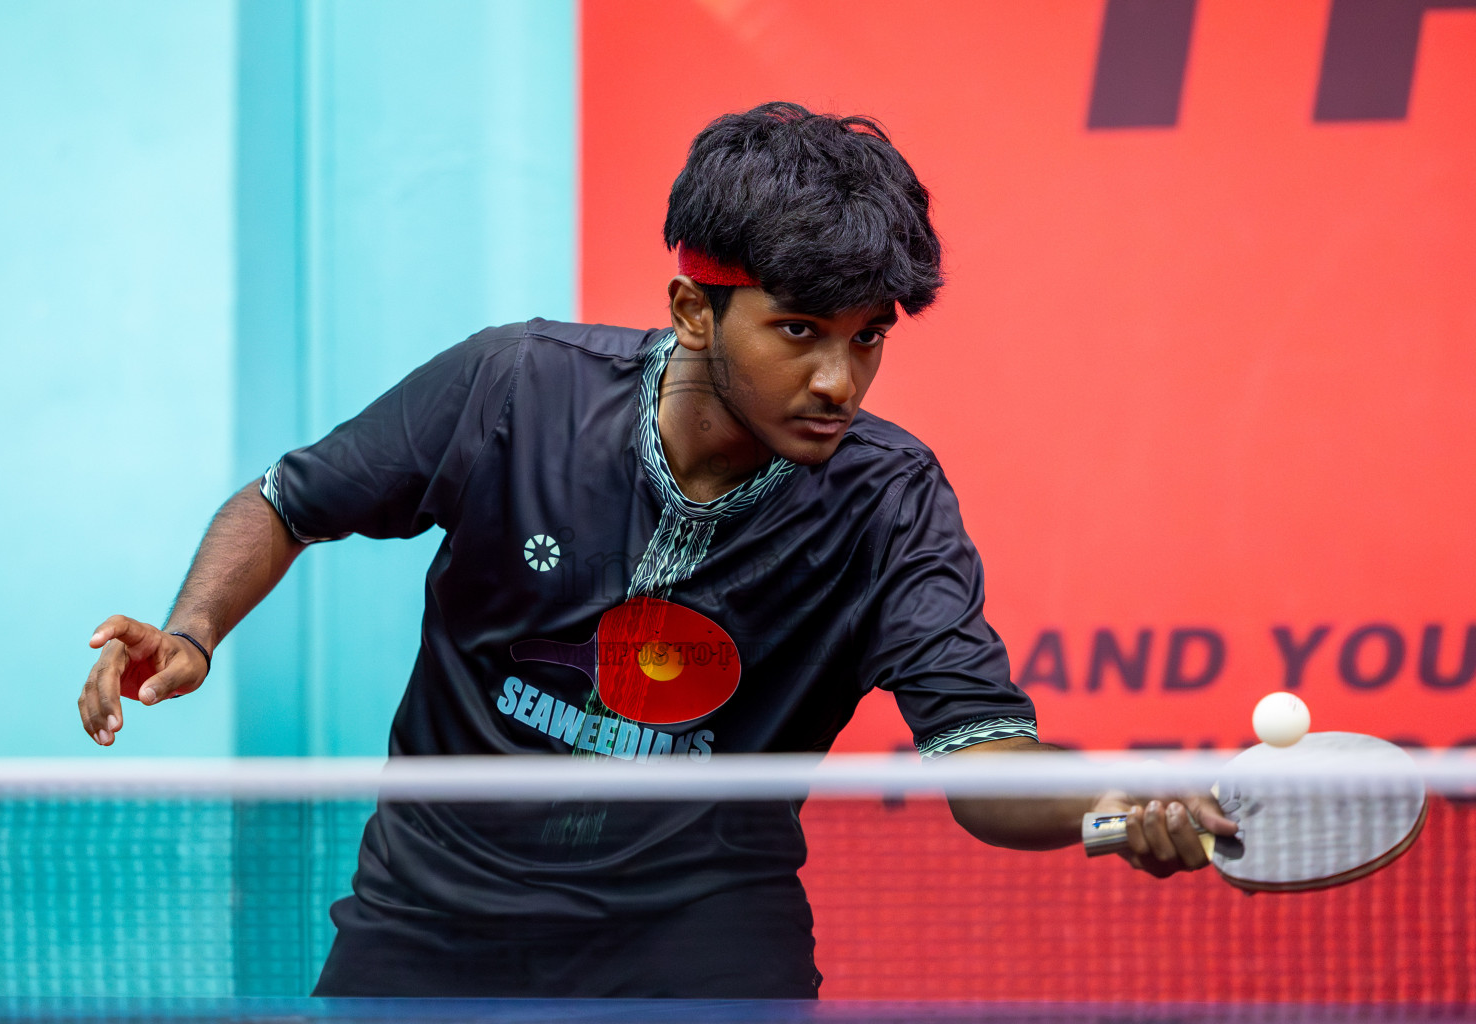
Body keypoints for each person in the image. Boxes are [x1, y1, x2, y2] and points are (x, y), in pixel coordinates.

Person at [77, 102, 1233, 999]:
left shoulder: (888, 500)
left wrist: (1125, 793)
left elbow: (981, 762)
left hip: (699, 935)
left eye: (867, 340)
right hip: (432, 918)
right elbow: (288, 499)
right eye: (799, 332)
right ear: (692, 308)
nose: (839, 380)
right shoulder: (514, 387)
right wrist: (193, 633)